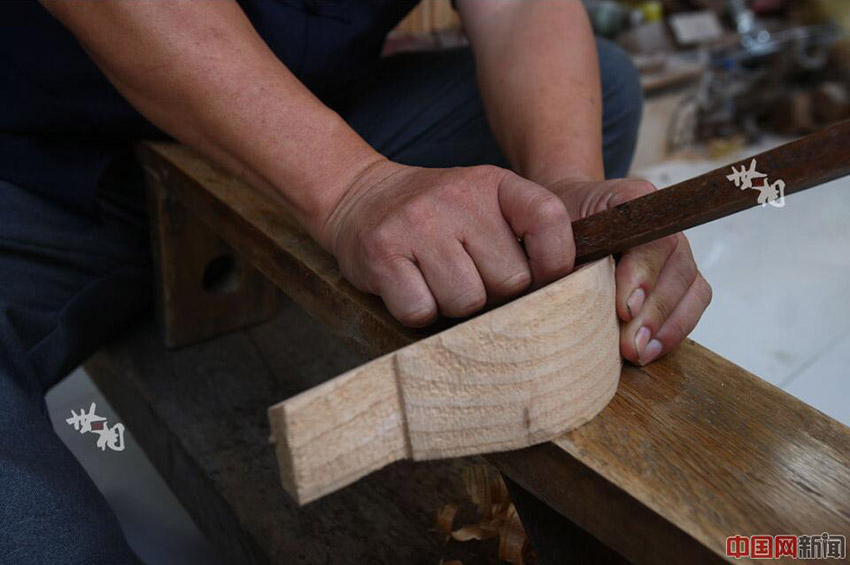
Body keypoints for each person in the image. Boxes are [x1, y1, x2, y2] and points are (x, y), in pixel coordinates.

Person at [0, 1, 711, 562]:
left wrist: (564, 190)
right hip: (43, 164)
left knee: (602, 89)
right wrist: (352, 187)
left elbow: (520, 8)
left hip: (307, 117)